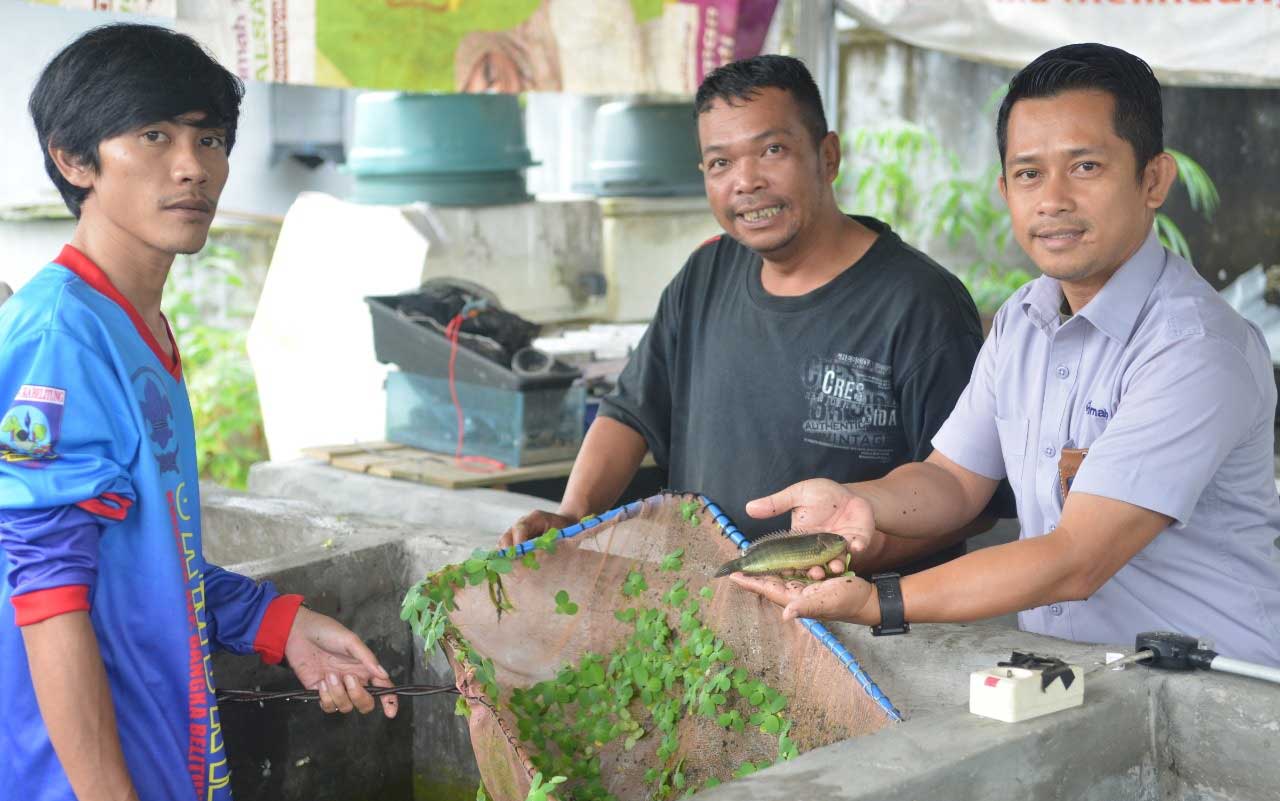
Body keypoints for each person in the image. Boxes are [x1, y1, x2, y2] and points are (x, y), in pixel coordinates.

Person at [730, 44, 1280, 666]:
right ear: (1004, 189)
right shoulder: (1024, 319)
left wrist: (880, 602)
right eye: (1028, 173)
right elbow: (952, 481)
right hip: (1085, 680)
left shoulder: (1195, 349)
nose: (1052, 200)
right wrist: (863, 503)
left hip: (1220, 695)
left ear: (1153, 180)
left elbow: (1076, 560)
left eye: (1086, 167)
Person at [0, 24, 397, 801]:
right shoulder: (61, 339)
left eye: (209, 138)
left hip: (158, 752)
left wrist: (279, 623)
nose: (193, 168)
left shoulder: (134, 322)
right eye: (154, 135)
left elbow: (136, 560)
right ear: (73, 159)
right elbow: (47, 598)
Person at [501, 55, 1008, 574]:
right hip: (710, 604)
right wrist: (572, 513)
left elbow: (973, 502)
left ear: (827, 156)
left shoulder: (920, 302)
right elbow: (630, 413)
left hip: (866, 623)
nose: (746, 181)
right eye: (721, 163)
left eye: (772, 150)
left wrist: (852, 558)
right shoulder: (705, 274)